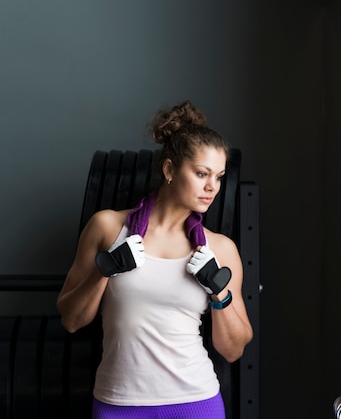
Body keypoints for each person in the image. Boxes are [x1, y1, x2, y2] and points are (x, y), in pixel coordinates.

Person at [57, 100, 253, 419]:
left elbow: (233, 349)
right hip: (118, 404)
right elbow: (71, 319)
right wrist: (105, 271)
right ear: (169, 170)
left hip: (195, 403)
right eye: (202, 173)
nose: (211, 187)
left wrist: (220, 292)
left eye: (218, 176)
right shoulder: (108, 228)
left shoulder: (221, 248)